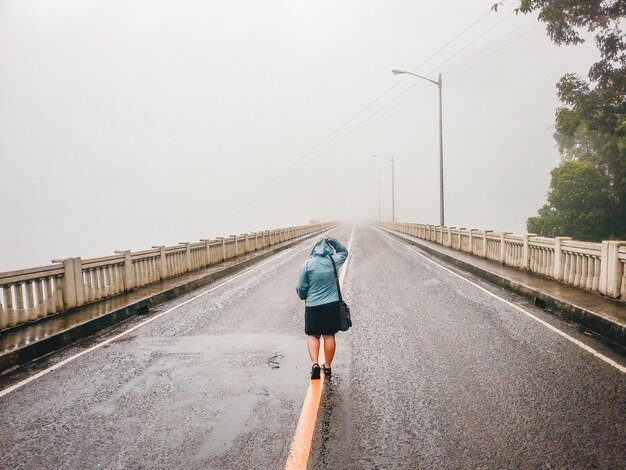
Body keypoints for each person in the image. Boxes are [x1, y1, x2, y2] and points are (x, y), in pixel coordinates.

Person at [296, 236, 349, 379]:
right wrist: (333, 241)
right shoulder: (333, 262)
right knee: (329, 335)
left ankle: (315, 364)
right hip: (331, 305)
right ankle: (327, 367)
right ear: (328, 250)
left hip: (313, 305)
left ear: (314, 250)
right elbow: (344, 252)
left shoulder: (307, 264)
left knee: (313, 335)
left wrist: (304, 297)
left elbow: (301, 287)